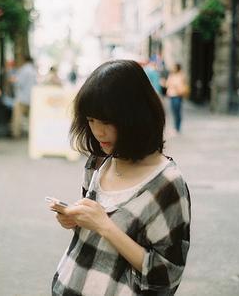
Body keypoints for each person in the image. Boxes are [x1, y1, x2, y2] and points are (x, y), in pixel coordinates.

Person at [49, 59, 191, 295]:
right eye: (91, 120)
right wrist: (76, 220)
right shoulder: (98, 161)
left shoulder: (167, 184)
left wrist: (104, 225)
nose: (97, 132)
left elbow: (167, 274)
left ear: (135, 116)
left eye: (106, 121)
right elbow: (97, 236)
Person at [10, 56, 36, 138]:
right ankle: (32, 134)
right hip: (31, 98)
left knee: (17, 117)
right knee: (31, 118)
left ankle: (16, 134)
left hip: (22, 98)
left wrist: (13, 80)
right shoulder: (33, 70)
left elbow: (18, 82)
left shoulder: (24, 70)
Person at [165, 63, 188, 133]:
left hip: (178, 95)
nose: (173, 68)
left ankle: (177, 127)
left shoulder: (181, 75)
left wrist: (174, 85)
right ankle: (175, 126)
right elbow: (167, 84)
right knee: (174, 111)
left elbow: (181, 85)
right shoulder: (171, 75)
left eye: (174, 67)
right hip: (172, 95)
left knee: (177, 111)